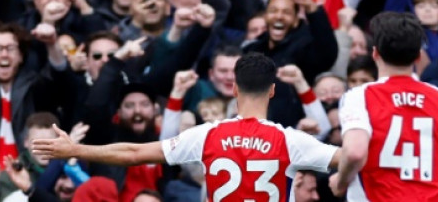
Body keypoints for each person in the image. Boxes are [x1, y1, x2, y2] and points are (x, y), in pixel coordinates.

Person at [30, 53, 341, 199]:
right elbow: (350, 156)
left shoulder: (207, 135)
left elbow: (134, 152)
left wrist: (75, 149)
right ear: (273, 90)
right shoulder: (291, 141)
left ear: (234, 88)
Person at [330, 12, 438, 199]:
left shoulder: (359, 96)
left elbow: (355, 152)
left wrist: (341, 182)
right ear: (418, 56)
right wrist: (423, 163)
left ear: (375, 53)